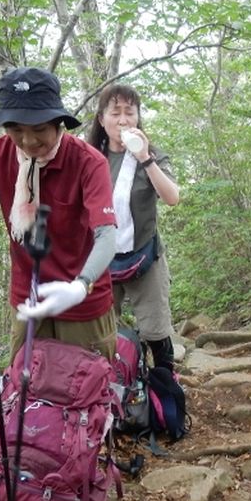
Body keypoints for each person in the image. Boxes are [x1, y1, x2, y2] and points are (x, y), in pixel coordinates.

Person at [0, 66, 118, 360]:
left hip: (84, 300)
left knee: (89, 390)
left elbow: (107, 234)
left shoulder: (87, 162)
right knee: (27, 389)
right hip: (27, 296)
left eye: (39, 129)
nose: (28, 141)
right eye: (16, 129)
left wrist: (81, 285)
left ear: (58, 123)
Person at [86, 84, 180, 371]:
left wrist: (144, 157)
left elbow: (172, 197)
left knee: (156, 331)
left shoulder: (152, 154)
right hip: (101, 260)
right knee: (99, 333)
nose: (123, 120)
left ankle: (165, 393)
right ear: (102, 120)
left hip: (145, 255)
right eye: (116, 113)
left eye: (130, 112)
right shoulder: (90, 157)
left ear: (138, 117)